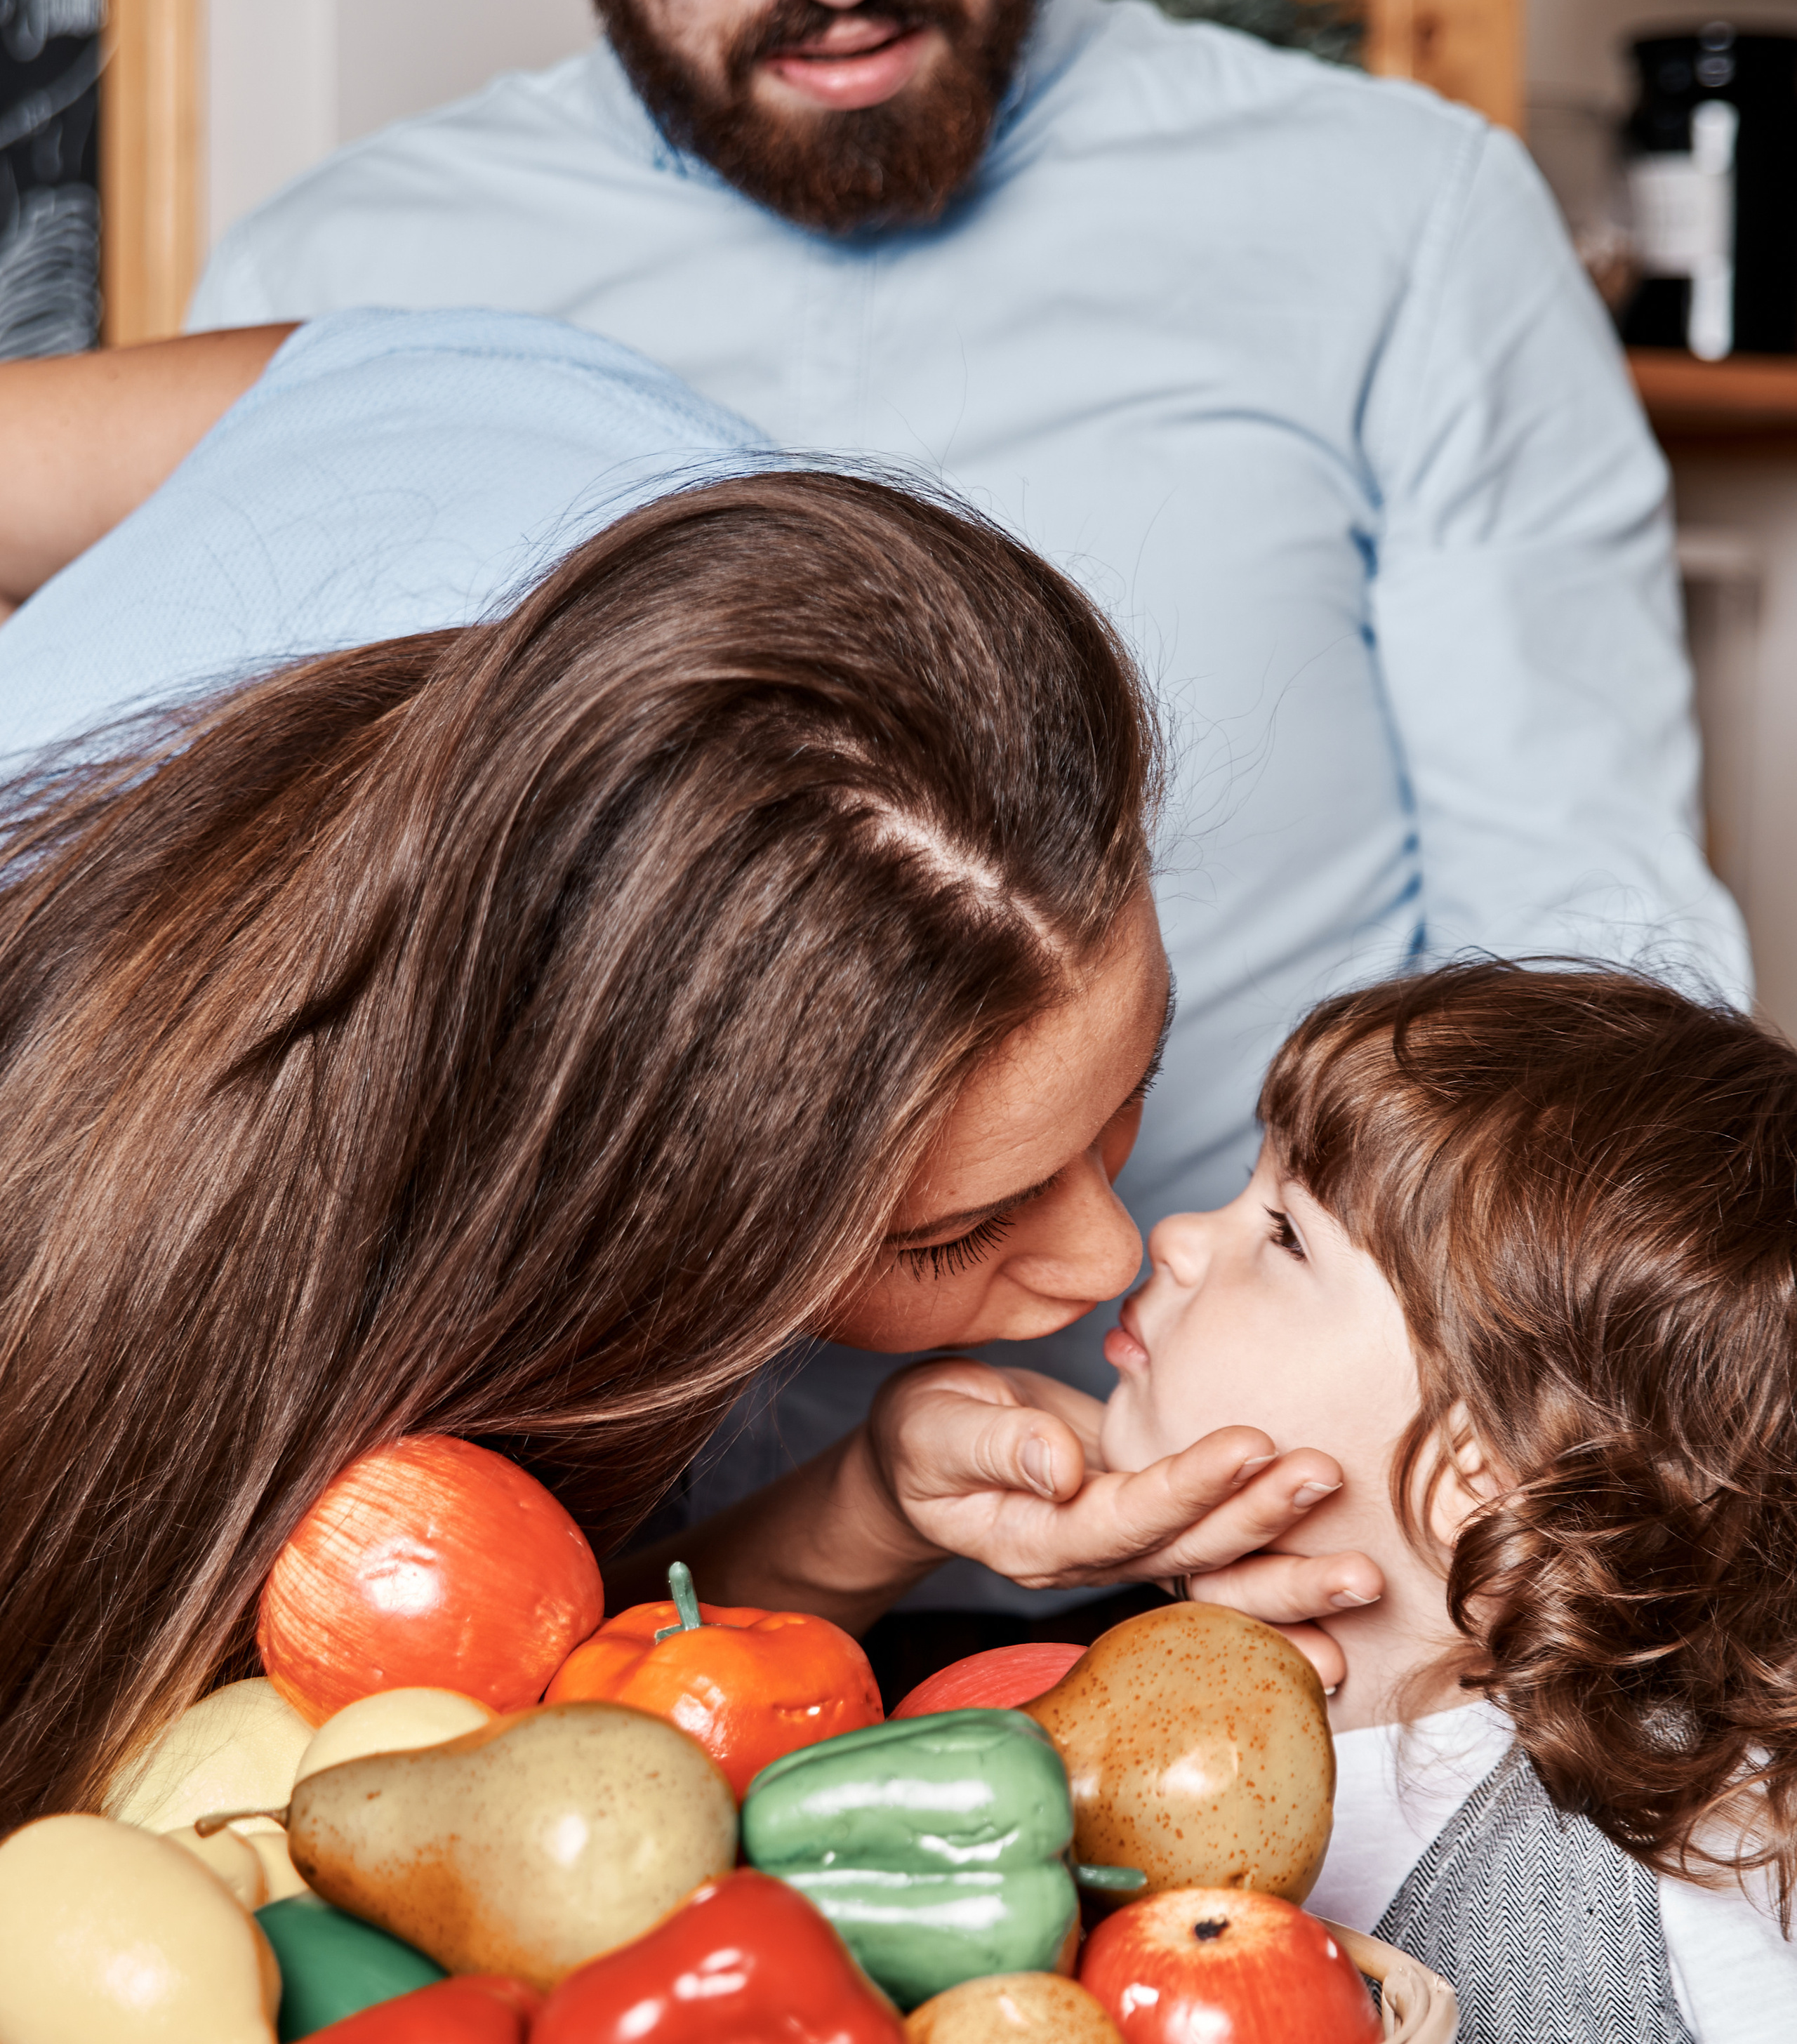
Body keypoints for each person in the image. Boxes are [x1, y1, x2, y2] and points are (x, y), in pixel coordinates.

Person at [181, 0, 1744, 1599]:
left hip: (1294, 1594)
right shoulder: (339, 293)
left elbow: (1595, 987)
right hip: (593, 1637)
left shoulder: (1398, 223)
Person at [0, 315, 1380, 1828]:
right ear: (620, 1226)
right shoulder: (156, 1311)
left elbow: (573, 1742)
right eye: (946, 1232)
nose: (1112, 1258)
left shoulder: (611, 467)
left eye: (1131, 1086)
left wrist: (870, 1505)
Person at [898, 960, 1796, 2040]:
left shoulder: (1699, 1872)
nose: (1176, 1236)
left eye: (1283, 1234)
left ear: (1487, 1467)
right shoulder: (1116, 1693)